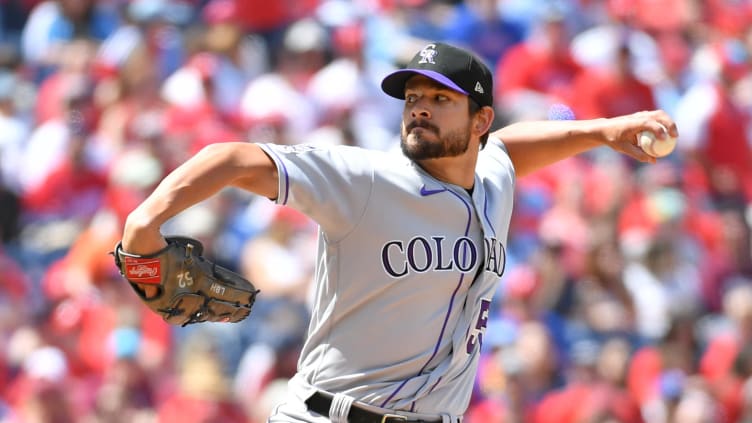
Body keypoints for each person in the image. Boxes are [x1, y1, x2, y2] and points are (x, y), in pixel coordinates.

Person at [120, 42, 678, 422]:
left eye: (440, 99)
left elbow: (511, 146)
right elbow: (233, 156)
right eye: (413, 98)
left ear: (479, 120)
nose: (419, 110)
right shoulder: (368, 180)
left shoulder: (493, 177)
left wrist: (604, 130)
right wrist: (145, 222)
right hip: (330, 412)